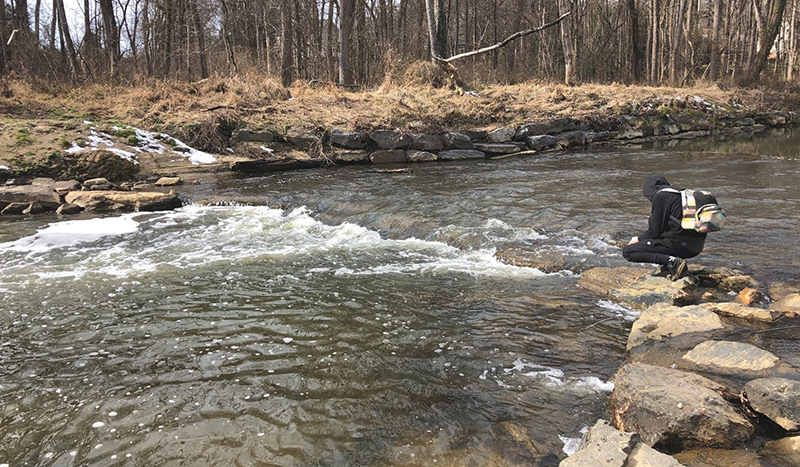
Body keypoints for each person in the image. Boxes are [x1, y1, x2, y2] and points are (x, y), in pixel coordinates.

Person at [622, 175, 706, 280]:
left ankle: (672, 262)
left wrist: (638, 239)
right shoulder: (680, 193)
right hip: (696, 247)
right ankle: (672, 263)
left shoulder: (661, 196)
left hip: (682, 246)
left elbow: (654, 232)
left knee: (628, 252)